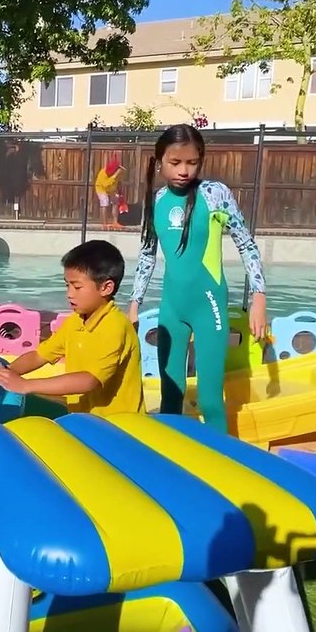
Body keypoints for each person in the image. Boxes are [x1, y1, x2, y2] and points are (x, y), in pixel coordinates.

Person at [126, 124, 267, 430]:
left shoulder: (215, 194)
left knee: (210, 399)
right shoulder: (157, 200)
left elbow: (246, 242)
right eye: (175, 163)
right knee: (170, 394)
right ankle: (173, 459)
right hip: (172, 309)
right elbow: (147, 254)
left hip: (209, 306)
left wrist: (259, 297)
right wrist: (134, 302)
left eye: (192, 162)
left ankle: (220, 461)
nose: (184, 171)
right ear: (159, 161)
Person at [0, 239, 144, 417]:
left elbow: (89, 380)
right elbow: (39, 355)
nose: (69, 294)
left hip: (119, 427)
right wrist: (5, 372)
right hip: (84, 418)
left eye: (77, 287)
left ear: (106, 288)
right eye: (67, 285)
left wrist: (25, 385)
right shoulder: (76, 322)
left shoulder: (115, 326)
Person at [94, 153, 124, 230]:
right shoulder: (103, 173)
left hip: (112, 189)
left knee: (115, 202)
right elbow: (106, 184)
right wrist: (115, 175)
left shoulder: (117, 172)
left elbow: (118, 181)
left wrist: (118, 190)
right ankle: (104, 224)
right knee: (105, 203)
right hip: (101, 188)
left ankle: (115, 222)